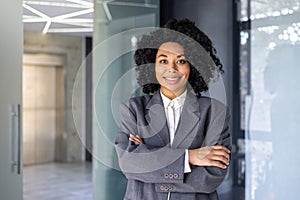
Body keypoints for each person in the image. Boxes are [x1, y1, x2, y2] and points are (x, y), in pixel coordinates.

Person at [115, 18, 231, 200]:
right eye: (163, 60)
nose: (171, 68)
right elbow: (129, 164)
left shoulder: (215, 112)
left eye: (181, 61)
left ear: (192, 66)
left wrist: (150, 167)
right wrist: (189, 157)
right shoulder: (133, 109)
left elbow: (210, 178)